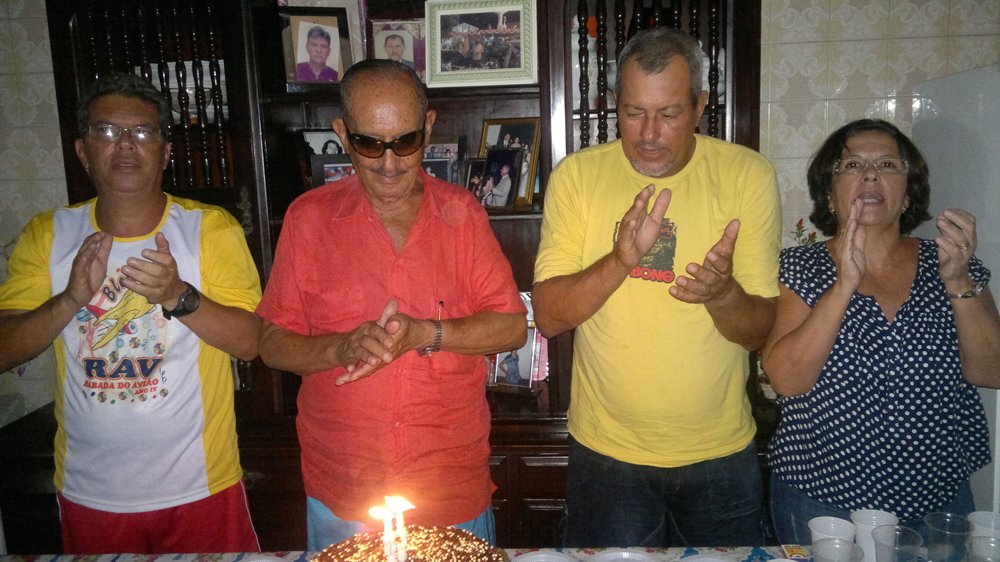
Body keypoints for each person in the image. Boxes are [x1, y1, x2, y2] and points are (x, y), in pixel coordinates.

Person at [256, 59, 526, 551]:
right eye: (368, 143)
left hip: (449, 489)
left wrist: (428, 333)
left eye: (405, 142)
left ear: (428, 127)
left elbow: (511, 327)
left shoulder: (462, 215)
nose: (388, 162)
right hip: (345, 493)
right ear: (342, 133)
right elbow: (271, 343)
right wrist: (340, 348)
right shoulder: (308, 219)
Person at [532, 27, 781, 547]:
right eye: (633, 112)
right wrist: (620, 260)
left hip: (719, 453)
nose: (648, 134)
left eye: (668, 114)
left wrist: (722, 294)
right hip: (607, 455)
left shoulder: (746, 175)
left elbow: (759, 331)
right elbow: (550, 317)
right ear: (613, 104)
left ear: (699, 106)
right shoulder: (577, 177)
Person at [0, 72, 262, 554]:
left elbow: (250, 342)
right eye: (106, 130)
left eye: (142, 132)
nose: (125, 144)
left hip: (201, 485)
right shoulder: (48, 234)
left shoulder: (209, 228)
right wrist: (70, 300)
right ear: (82, 150)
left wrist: (178, 295)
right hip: (90, 490)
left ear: (165, 152)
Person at [762, 118, 1000, 543]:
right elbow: (787, 379)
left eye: (887, 165)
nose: (870, 175)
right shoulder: (798, 267)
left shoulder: (951, 263)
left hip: (936, 503)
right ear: (830, 193)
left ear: (908, 194)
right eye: (853, 165)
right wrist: (844, 285)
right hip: (822, 501)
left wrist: (959, 281)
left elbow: (992, 371)